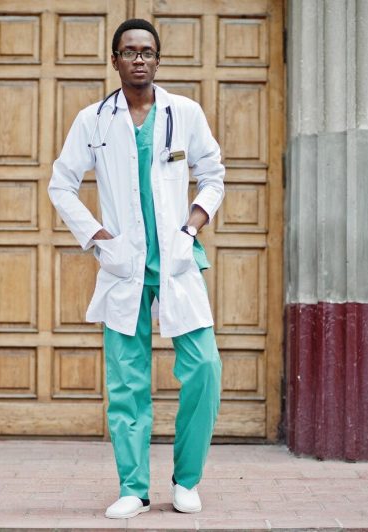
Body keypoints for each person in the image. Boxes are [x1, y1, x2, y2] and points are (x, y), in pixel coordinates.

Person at [48, 18, 224, 519]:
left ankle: (186, 479)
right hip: (125, 264)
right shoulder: (93, 120)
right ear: (115, 60)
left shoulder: (184, 113)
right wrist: (99, 238)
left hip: (174, 259)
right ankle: (134, 488)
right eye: (129, 52)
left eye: (147, 51)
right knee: (127, 382)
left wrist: (191, 228)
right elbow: (60, 184)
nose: (139, 59)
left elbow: (212, 175)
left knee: (206, 368)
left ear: (158, 60)